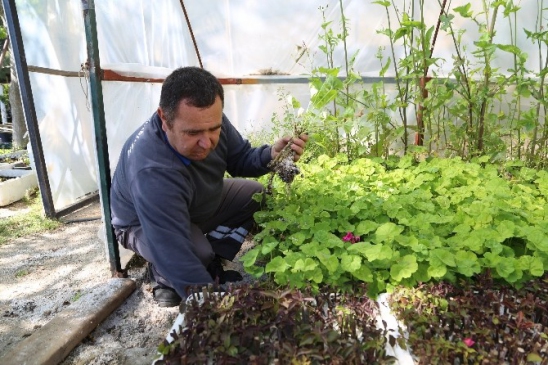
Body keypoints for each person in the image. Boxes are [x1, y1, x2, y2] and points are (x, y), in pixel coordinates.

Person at [110, 66, 308, 307]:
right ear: (164, 119)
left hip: (191, 201)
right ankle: (163, 276)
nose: (206, 142)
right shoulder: (152, 169)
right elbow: (172, 248)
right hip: (143, 222)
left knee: (253, 196)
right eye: (193, 133)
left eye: (213, 129)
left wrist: (271, 155)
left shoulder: (208, 119)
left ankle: (212, 259)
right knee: (193, 253)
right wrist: (210, 304)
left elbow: (240, 158)